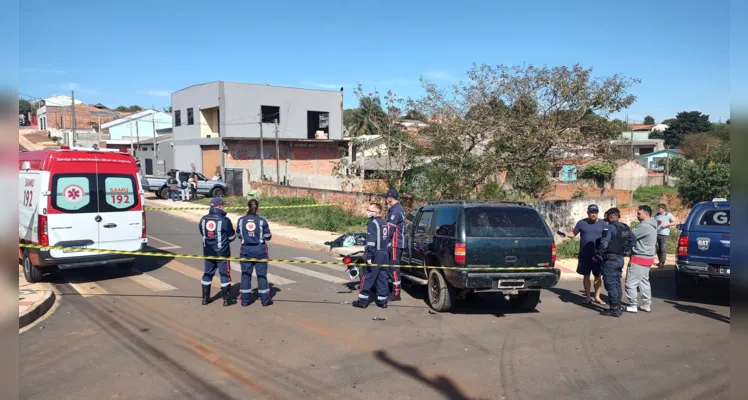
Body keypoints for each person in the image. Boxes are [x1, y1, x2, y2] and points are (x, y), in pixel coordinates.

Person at [596, 208, 636, 317]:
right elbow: (633, 240)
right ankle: (617, 306)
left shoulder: (610, 228)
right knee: (617, 282)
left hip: (610, 259)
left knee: (610, 283)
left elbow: (604, 243)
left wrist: (598, 254)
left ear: (610, 216)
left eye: (607, 216)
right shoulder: (624, 227)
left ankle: (614, 309)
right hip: (619, 259)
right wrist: (625, 250)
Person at [564, 204, 607, 305]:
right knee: (586, 276)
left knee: (598, 276)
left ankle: (597, 297)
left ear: (597, 213)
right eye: (591, 212)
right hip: (584, 254)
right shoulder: (581, 223)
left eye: (595, 212)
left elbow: (607, 238)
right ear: (588, 213)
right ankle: (588, 297)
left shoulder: (603, 223)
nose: (593, 214)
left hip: (598, 255)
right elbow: (573, 234)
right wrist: (566, 234)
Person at [198, 197, 237, 306]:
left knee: (207, 274)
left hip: (208, 252)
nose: (224, 207)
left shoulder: (203, 219)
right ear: (219, 206)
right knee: (225, 275)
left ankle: (205, 299)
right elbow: (232, 236)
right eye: (223, 205)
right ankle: (226, 300)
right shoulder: (225, 220)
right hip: (222, 253)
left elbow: (203, 233)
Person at [353, 203, 390, 309]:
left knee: (367, 276)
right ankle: (382, 301)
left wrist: (369, 256)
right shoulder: (384, 223)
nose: (367, 211)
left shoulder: (372, 223)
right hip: (385, 253)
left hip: (376, 254)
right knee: (383, 277)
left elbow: (371, 243)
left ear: (375, 212)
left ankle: (362, 301)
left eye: (369, 210)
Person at [237, 199, 273, 307]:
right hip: (260, 250)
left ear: (247, 207)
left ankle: (245, 301)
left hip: (246, 249)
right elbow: (268, 236)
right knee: (261, 275)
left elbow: (238, 234)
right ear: (257, 208)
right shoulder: (262, 221)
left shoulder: (241, 220)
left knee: (245, 275)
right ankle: (265, 300)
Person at [625, 205, 658, 313]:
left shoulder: (644, 226)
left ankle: (633, 305)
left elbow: (629, 235)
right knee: (644, 282)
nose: (637, 215)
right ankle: (646, 304)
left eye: (639, 213)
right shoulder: (653, 224)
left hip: (639, 257)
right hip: (648, 258)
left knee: (630, 283)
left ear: (646, 214)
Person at [384, 188, 407, 302]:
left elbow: (389, 229)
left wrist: (383, 240)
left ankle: (396, 292)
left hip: (395, 243)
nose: (386, 199)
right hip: (399, 243)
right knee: (392, 267)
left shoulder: (394, 211)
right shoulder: (400, 208)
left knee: (394, 268)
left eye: (386, 197)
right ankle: (393, 289)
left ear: (390, 197)